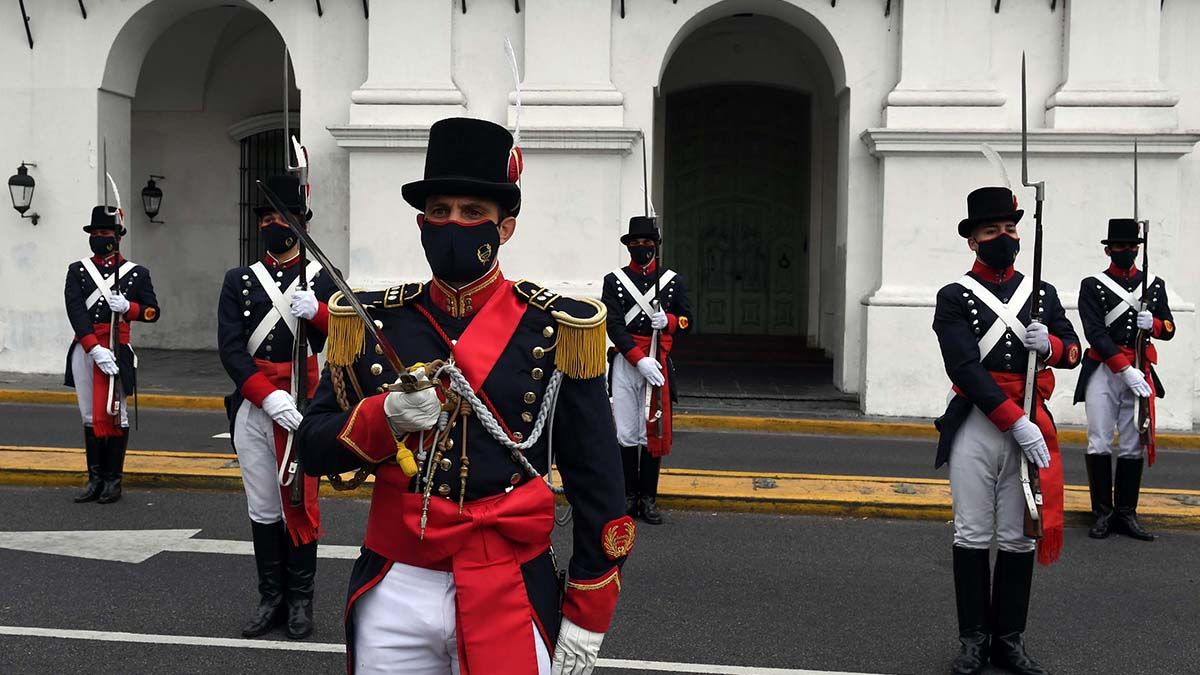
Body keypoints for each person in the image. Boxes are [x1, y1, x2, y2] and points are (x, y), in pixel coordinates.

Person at [296, 117, 634, 675]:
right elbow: (311, 445)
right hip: (397, 583)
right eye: (441, 212)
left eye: (473, 213)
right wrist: (386, 417)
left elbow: (598, 480)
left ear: (505, 229)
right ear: (423, 222)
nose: (454, 224)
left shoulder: (555, 330)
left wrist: (588, 611)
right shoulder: (373, 321)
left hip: (509, 580)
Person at [932, 186, 1081, 675]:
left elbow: (1075, 349)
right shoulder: (954, 297)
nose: (1004, 238)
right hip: (979, 422)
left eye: (1010, 230)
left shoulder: (1042, 293)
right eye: (992, 231)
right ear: (973, 241)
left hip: (1030, 415)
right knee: (972, 532)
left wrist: (1054, 345)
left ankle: (1009, 641)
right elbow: (964, 366)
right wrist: (1017, 422)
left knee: (1019, 538)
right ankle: (973, 640)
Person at [217, 174, 334, 640]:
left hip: (304, 401)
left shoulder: (321, 278)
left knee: (300, 500)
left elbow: (345, 341)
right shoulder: (239, 280)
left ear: (299, 222)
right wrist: (266, 396)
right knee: (264, 505)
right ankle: (272, 598)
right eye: (266, 218)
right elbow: (230, 349)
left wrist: (320, 313)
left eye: (280, 217)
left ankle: (301, 601)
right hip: (256, 401)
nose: (272, 224)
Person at [1073, 218, 1174, 542]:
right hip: (1104, 370)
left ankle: (1127, 513)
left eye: (1131, 246)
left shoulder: (1154, 284)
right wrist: (1123, 369)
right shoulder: (1093, 285)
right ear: (1108, 249)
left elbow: (1170, 328)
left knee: (1133, 443)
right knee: (1099, 439)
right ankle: (1102, 512)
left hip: (1140, 366)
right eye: (1120, 246)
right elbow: (1094, 332)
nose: (1127, 251)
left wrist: (1154, 324)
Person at [64, 205, 160, 504]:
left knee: (116, 412)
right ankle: (94, 479)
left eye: (104, 233)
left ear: (117, 236)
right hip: (87, 348)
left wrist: (128, 308)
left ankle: (113, 481)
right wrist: (94, 347)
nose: (98, 237)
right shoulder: (78, 271)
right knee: (90, 414)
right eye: (94, 233)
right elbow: (76, 311)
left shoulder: (136, 273)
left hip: (118, 347)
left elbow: (152, 312)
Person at [601, 216, 692, 524]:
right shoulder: (613, 281)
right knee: (626, 431)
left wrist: (668, 320)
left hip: (658, 361)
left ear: (656, 247)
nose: (642, 249)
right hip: (628, 361)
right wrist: (637, 358)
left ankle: (649, 498)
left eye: (647, 244)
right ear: (628, 247)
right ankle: (628, 496)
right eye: (636, 244)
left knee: (652, 429)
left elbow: (688, 320)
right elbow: (612, 324)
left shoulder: (672, 281)